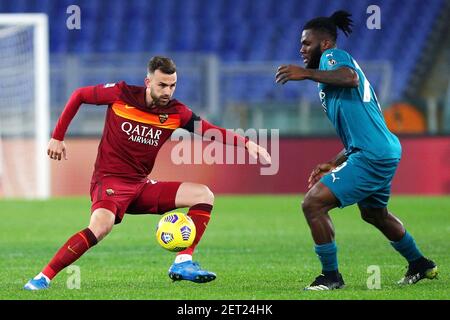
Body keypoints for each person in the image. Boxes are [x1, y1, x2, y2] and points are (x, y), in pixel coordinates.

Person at [24, 56, 271, 290]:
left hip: (140, 186)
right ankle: (42, 277)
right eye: (162, 85)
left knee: (203, 195)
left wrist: (248, 143)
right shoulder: (121, 94)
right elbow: (79, 95)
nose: (167, 91)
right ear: (148, 82)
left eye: (172, 85)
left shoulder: (177, 113)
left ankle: (183, 262)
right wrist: (57, 136)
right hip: (109, 181)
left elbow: (211, 131)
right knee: (101, 226)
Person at [275, 11, 437, 290]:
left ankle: (331, 277)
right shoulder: (326, 80)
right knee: (374, 214)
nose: (301, 49)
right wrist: (333, 161)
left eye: (307, 43)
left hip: (372, 154)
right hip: (376, 148)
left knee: (313, 204)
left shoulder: (332, 58)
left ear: (324, 44)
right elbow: (358, 130)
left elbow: (349, 76)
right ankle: (420, 264)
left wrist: (305, 74)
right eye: (301, 44)